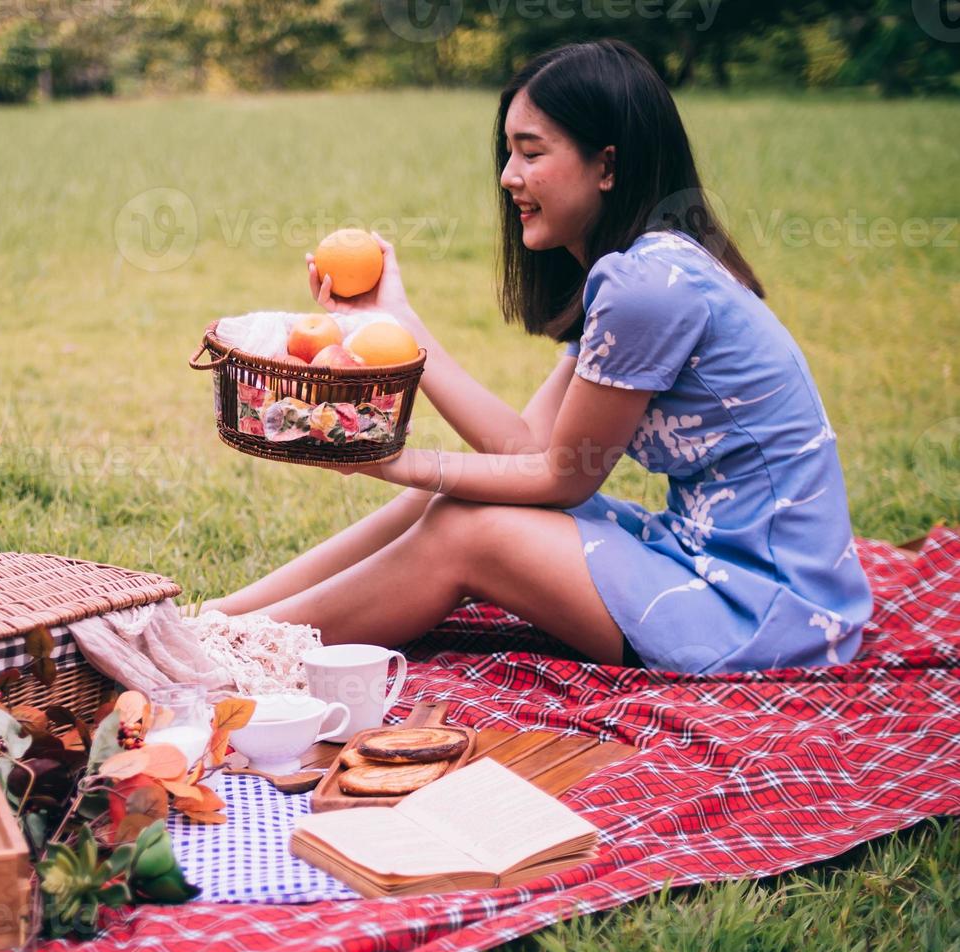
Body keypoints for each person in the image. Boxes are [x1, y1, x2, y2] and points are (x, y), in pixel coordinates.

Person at [200, 40, 872, 673]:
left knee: (473, 532)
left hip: (770, 614)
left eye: (530, 152)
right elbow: (525, 446)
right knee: (452, 497)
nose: (507, 176)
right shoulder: (642, 271)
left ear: (607, 165)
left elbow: (561, 479)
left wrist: (393, 461)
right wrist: (396, 321)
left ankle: (228, 654)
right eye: (508, 152)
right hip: (707, 562)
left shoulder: (647, 287)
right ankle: (219, 619)